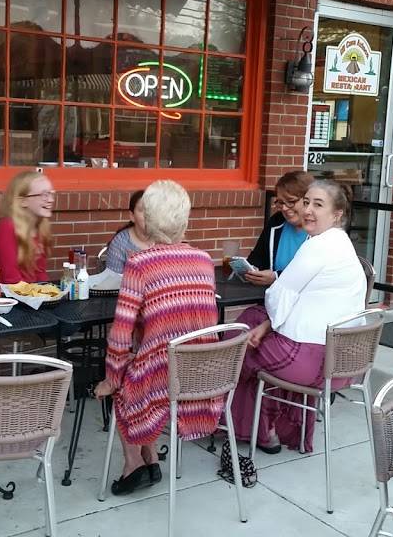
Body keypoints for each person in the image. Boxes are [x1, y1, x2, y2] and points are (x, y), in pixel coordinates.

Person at [93, 180, 221, 495]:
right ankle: (150, 458)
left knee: (123, 380)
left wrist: (111, 378)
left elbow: (120, 334)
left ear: (147, 222)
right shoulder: (204, 260)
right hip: (203, 373)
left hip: (165, 375)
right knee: (141, 364)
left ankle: (134, 463)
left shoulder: (140, 264)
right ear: (185, 222)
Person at [230, 179, 366, 454]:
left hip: (310, 363)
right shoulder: (342, 244)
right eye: (306, 202)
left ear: (337, 214)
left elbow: (278, 296)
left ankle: (253, 427)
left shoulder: (317, 246)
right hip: (343, 362)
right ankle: (284, 428)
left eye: (318, 204)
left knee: (238, 338)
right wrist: (268, 324)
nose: (308, 210)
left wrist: (267, 322)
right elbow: (294, 301)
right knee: (255, 323)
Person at [245, 170, 314, 286]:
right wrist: (252, 270)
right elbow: (257, 258)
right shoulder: (277, 221)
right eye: (281, 202)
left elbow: (314, 274)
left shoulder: (321, 232)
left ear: (308, 201)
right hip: (272, 294)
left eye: (291, 201)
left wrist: (276, 277)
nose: (285, 208)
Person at [0, 170, 55, 284]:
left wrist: (48, 291)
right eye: (44, 195)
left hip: (32, 292)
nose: (51, 200)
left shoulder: (41, 227)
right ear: (23, 201)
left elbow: (40, 274)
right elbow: (10, 278)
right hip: (10, 293)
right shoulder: (7, 227)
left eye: (51, 194)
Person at [104, 190, 151, 274]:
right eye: (142, 210)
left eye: (151, 209)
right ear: (132, 216)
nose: (148, 215)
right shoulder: (120, 243)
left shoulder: (165, 240)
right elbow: (113, 279)